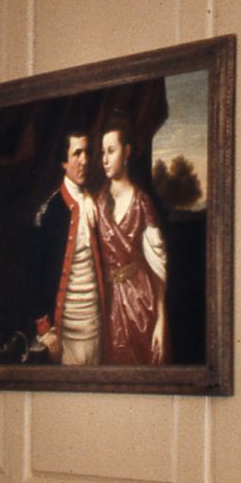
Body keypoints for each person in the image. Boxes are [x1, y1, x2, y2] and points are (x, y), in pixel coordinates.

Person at [90, 125, 168, 365]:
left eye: (111, 151)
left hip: (140, 304)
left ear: (126, 152)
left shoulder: (142, 203)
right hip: (107, 304)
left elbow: (158, 266)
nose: (104, 159)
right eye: (102, 152)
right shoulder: (95, 203)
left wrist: (161, 322)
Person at [32, 131, 103, 364]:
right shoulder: (50, 212)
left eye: (87, 153)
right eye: (76, 154)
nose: (84, 160)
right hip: (66, 336)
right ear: (64, 162)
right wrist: (44, 330)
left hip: (97, 329)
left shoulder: (95, 203)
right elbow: (36, 274)